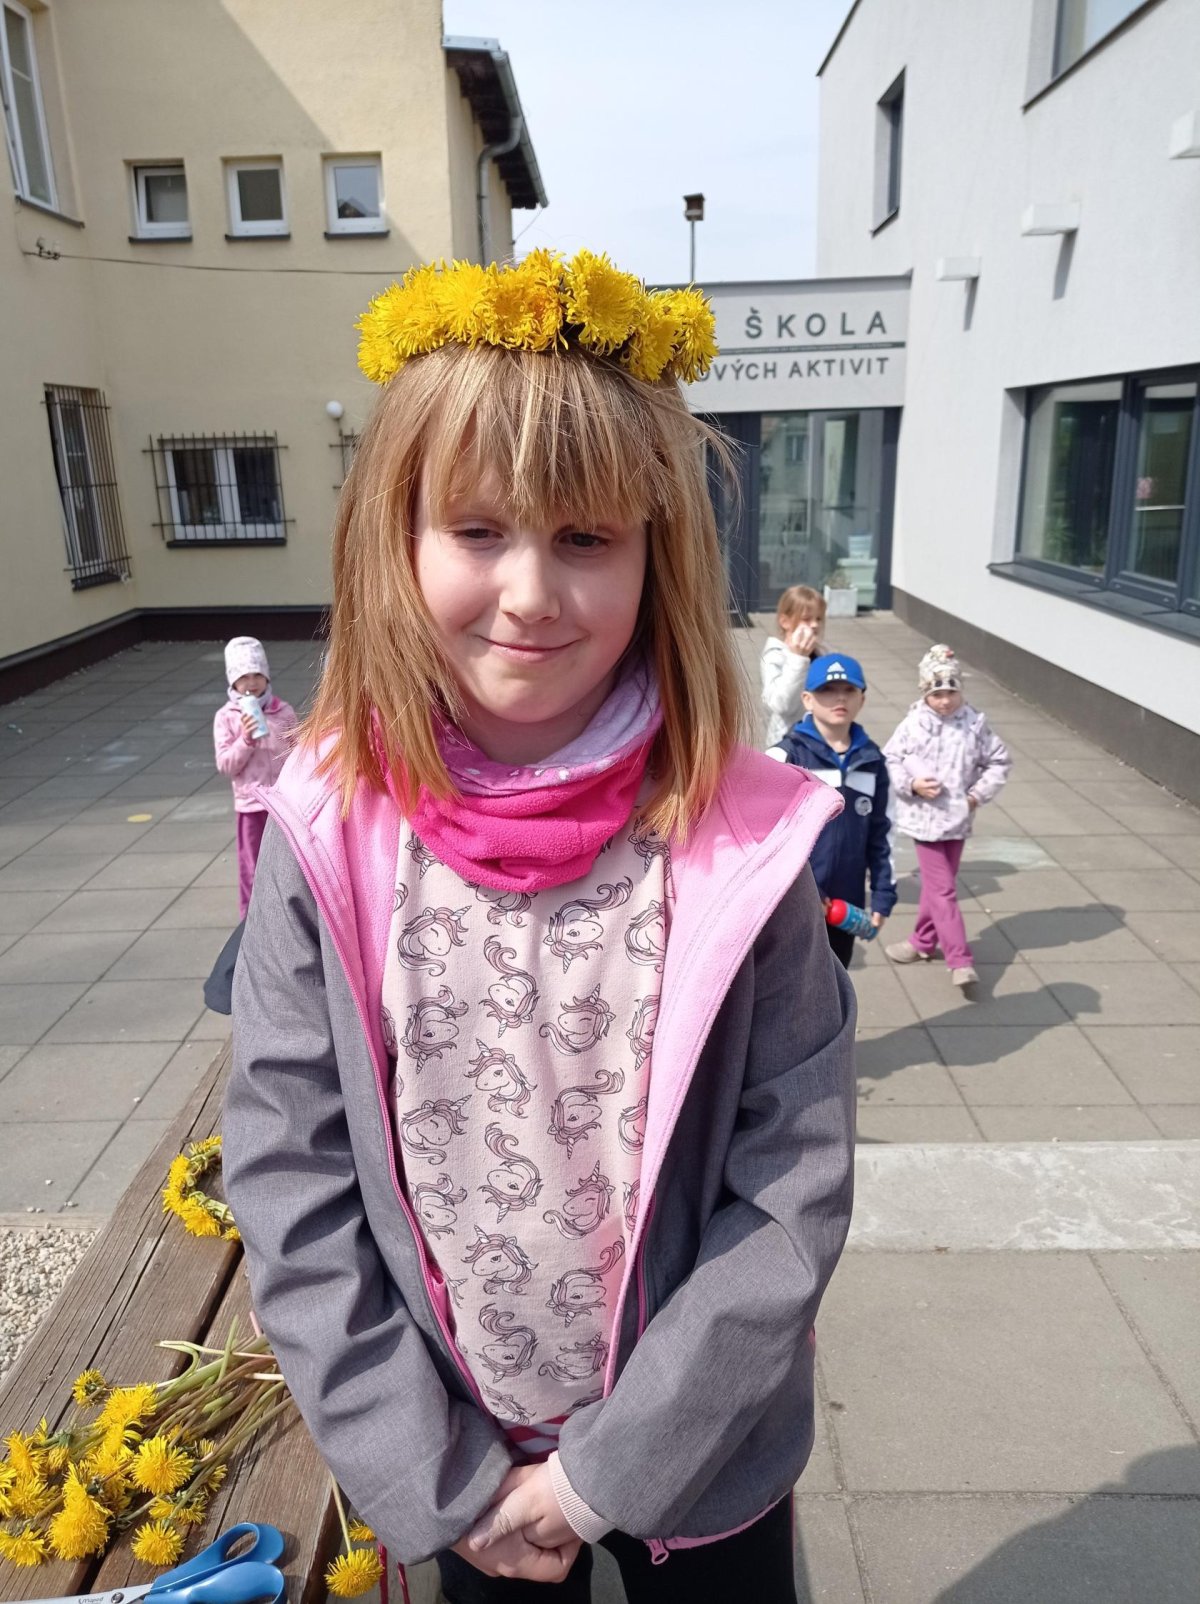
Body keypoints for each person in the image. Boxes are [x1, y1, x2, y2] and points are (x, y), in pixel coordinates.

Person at [221, 251, 857, 1604]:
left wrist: (600, 1476)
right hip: (458, 1457)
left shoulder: (740, 844)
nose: (529, 591)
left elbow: (790, 1187)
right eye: (478, 530)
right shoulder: (324, 834)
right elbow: (290, 1175)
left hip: (706, 1454)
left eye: (584, 538)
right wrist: (433, 1472)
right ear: (395, 539)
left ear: (655, 553)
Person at [882, 644, 1011, 989]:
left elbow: (999, 761)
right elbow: (889, 759)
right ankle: (960, 960)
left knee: (938, 888)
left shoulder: (974, 724)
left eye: (951, 692)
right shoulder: (913, 724)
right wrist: (911, 784)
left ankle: (922, 942)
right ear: (925, 693)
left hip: (958, 820)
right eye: (936, 693)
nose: (945, 701)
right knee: (943, 891)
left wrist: (976, 796)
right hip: (925, 822)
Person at [767, 653, 896, 968]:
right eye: (827, 690)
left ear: (862, 699)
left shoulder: (873, 761)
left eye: (849, 689)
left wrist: (883, 894)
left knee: (837, 984)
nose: (839, 698)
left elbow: (882, 834)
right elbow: (765, 838)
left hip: (844, 907)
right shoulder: (784, 758)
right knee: (791, 985)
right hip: (791, 903)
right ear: (807, 700)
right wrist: (812, 890)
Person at [212, 636, 298, 918]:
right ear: (233, 682)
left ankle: (285, 917)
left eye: (257, 675)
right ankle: (250, 922)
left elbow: (297, 755)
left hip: (282, 805)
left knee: (287, 864)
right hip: (251, 806)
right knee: (252, 868)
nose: (251, 683)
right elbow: (226, 765)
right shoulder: (227, 717)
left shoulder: (283, 711)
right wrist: (246, 739)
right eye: (244, 677)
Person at [759, 584, 826, 748]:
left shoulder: (820, 652)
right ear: (785, 622)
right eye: (806, 619)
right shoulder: (774, 656)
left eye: (818, 618)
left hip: (818, 739)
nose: (815, 625)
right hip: (788, 743)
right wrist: (798, 658)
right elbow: (781, 705)